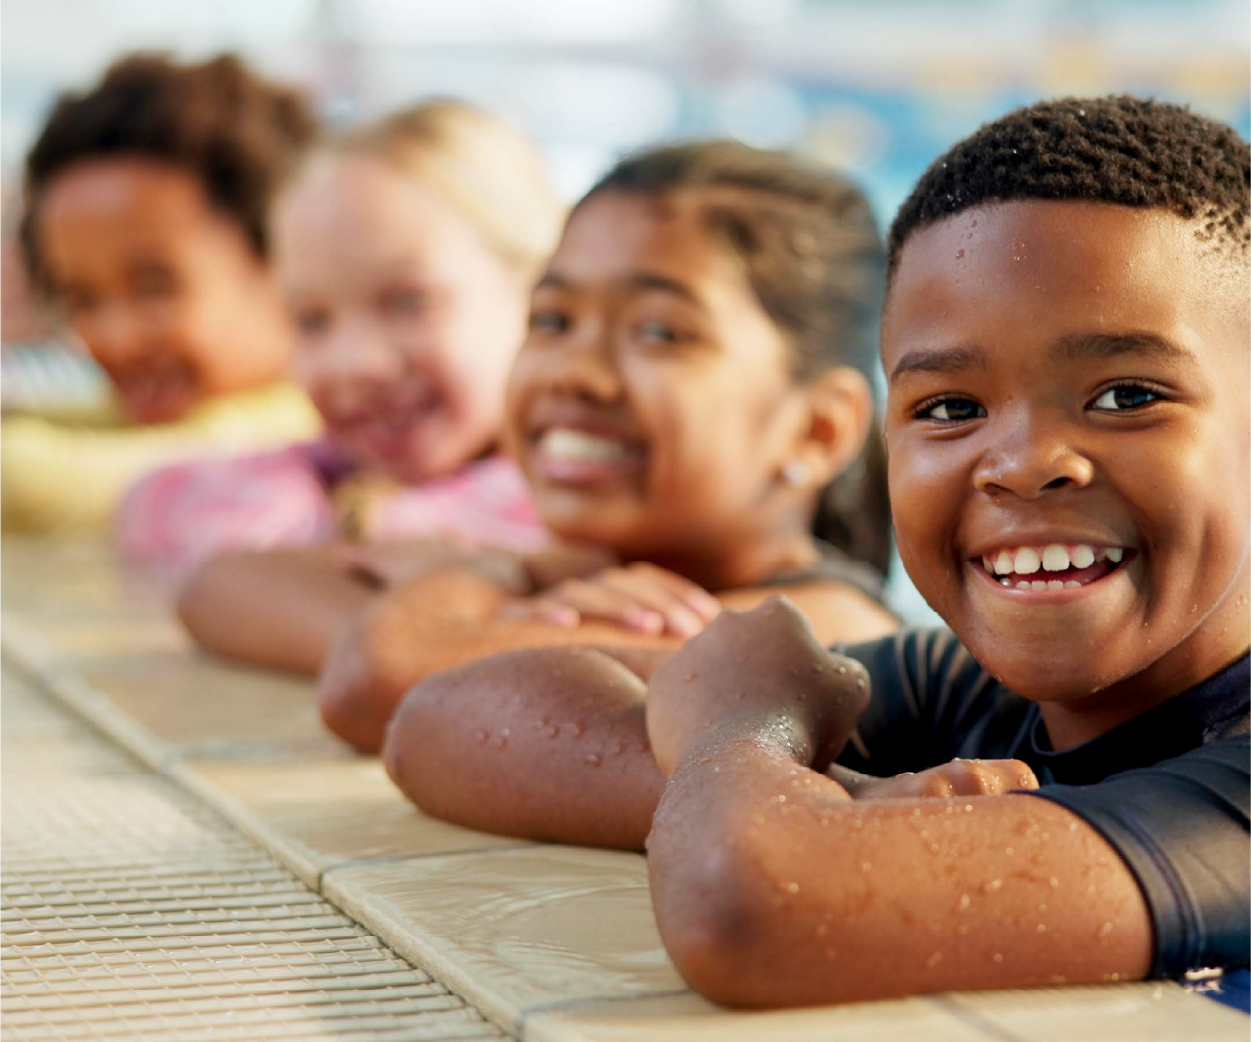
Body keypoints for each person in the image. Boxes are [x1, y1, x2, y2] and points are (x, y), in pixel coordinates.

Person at [398, 96, 1251, 1005]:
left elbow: (749, 907)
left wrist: (744, 740)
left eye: (1125, 395)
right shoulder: (967, 692)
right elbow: (443, 720)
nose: (1020, 465)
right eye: (950, 408)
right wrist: (832, 799)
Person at [310, 140, 900, 761]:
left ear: (818, 430)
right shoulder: (590, 582)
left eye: (658, 331)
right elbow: (222, 583)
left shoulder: (821, 631)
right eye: (553, 319)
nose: (575, 373)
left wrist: (490, 577)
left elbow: (376, 675)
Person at [121, 101, 562, 564]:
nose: (355, 362)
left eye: (409, 302)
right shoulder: (330, 473)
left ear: (539, 297)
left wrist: (363, 524)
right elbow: (149, 500)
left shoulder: (578, 499)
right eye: (312, 320)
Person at [4, 53, 321, 536]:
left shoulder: (314, 435)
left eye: (156, 289)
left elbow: (49, 480)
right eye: (81, 299)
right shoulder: (145, 416)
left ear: (287, 262)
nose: (117, 338)